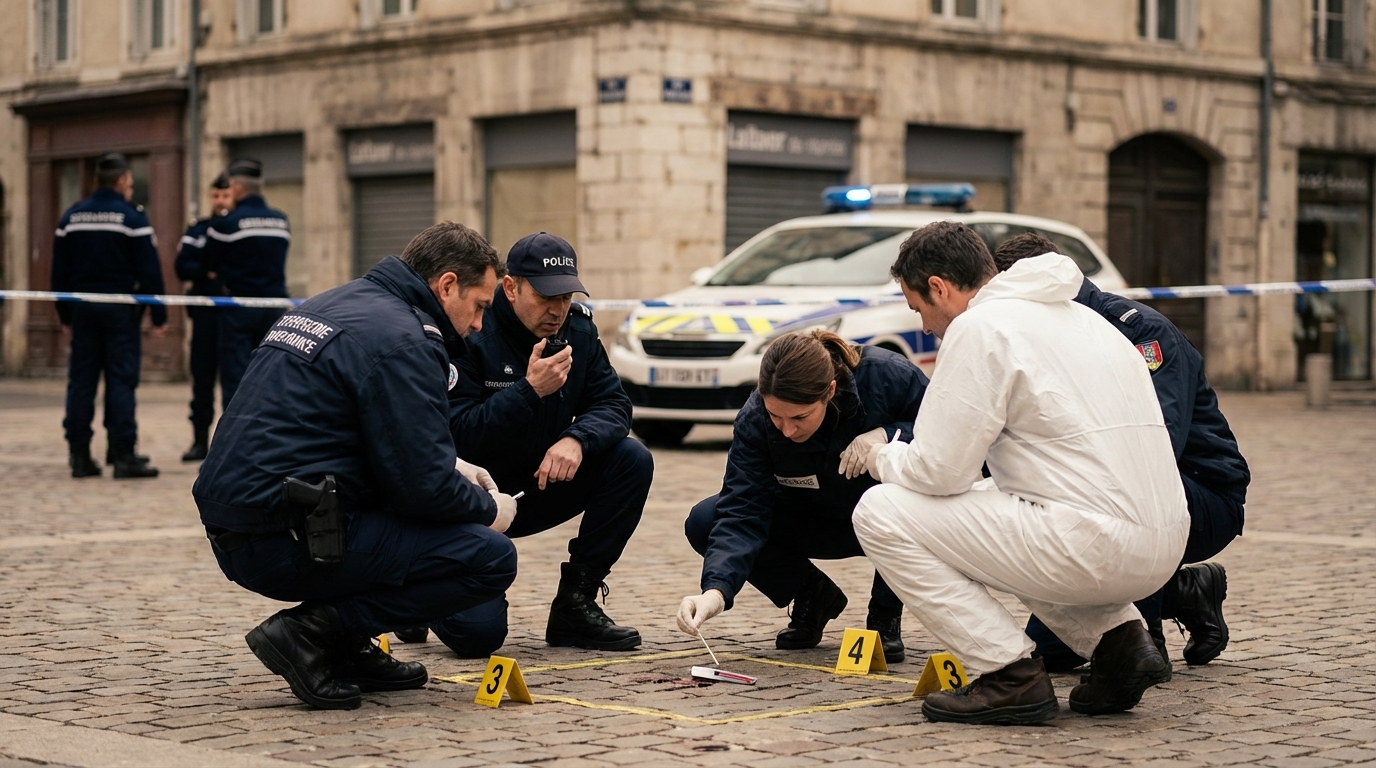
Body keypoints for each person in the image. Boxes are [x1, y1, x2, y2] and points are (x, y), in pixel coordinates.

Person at [850, 221, 1189, 725]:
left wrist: (878, 455)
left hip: (1095, 545)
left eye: (918, 307)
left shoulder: (980, 328)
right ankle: (1120, 644)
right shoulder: (1086, 320)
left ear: (939, 287)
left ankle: (1009, 675)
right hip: (1163, 542)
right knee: (1002, 504)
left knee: (879, 511)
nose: (923, 326)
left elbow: (940, 471)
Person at [192, 222, 520, 711]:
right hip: (283, 535)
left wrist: (450, 460)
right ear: (447, 285)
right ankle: (312, 634)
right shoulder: (408, 337)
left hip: (244, 520)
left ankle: (349, 645)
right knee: (489, 556)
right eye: (479, 306)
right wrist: (489, 508)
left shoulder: (335, 303)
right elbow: (422, 488)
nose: (478, 326)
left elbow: (342, 424)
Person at [992, 232, 1249, 672]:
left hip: (1200, 493)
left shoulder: (1139, 331)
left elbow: (1156, 448)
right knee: (1050, 654)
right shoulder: (1047, 334)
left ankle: (1145, 636)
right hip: (1113, 492)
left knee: (1120, 650)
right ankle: (1186, 592)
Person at [406, 231, 651, 656]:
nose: (557, 310)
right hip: (471, 497)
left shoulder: (578, 329)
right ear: (511, 287)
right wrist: (528, 391)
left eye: (565, 297)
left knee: (630, 458)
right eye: (545, 297)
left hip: (537, 481)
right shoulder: (470, 330)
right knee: (478, 638)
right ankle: (419, 597)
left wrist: (577, 438)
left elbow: (613, 403)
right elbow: (455, 435)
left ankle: (575, 606)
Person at [676, 330, 929, 661]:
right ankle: (812, 594)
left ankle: (884, 616)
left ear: (830, 392)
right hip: (809, 516)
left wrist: (890, 435)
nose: (787, 429)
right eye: (775, 416)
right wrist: (715, 592)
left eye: (799, 417)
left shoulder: (889, 375)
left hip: (883, 519)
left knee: (906, 501)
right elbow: (742, 508)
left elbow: (947, 433)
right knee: (705, 521)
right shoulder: (755, 419)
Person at [51, 152, 165, 479]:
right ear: (122, 181)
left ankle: (79, 456)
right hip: (120, 310)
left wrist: (64, 313)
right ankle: (123, 454)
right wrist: (158, 315)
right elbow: (150, 271)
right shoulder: (132, 219)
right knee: (121, 381)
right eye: (129, 183)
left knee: (81, 383)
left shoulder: (71, 216)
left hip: (83, 309)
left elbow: (58, 272)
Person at [201, 158, 290, 408]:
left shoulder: (227, 224)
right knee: (272, 377)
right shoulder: (281, 221)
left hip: (239, 310)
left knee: (236, 380)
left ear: (237, 188)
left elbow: (208, 263)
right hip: (275, 309)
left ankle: (237, 438)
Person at [174, 171, 235, 461]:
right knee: (202, 380)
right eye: (215, 196)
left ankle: (230, 443)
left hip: (234, 318)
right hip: (204, 316)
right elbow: (182, 266)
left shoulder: (238, 227)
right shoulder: (197, 230)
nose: (219, 201)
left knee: (234, 380)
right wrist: (205, 271)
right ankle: (199, 440)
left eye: (225, 196)